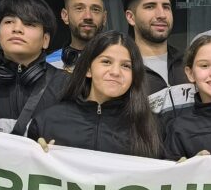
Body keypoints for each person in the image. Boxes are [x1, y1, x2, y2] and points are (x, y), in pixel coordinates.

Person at [27, 31, 161, 157]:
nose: (115, 72)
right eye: (106, 62)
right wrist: (34, 156)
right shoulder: (48, 121)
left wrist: (179, 170)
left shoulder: (152, 127)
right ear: (88, 70)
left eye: (126, 66)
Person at [0, 0, 69, 134]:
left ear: (45, 40)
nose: (17, 29)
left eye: (29, 23)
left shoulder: (68, 85)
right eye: (8, 22)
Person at [122, 0, 189, 96]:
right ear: (131, 17)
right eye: (150, 7)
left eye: (166, 7)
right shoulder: (121, 68)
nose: (161, 14)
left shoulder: (188, 63)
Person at [47, 0, 107, 72]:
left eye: (95, 9)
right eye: (79, 8)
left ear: (104, 18)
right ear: (65, 16)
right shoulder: (48, 65)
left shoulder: (120, 61)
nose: (88, 16)